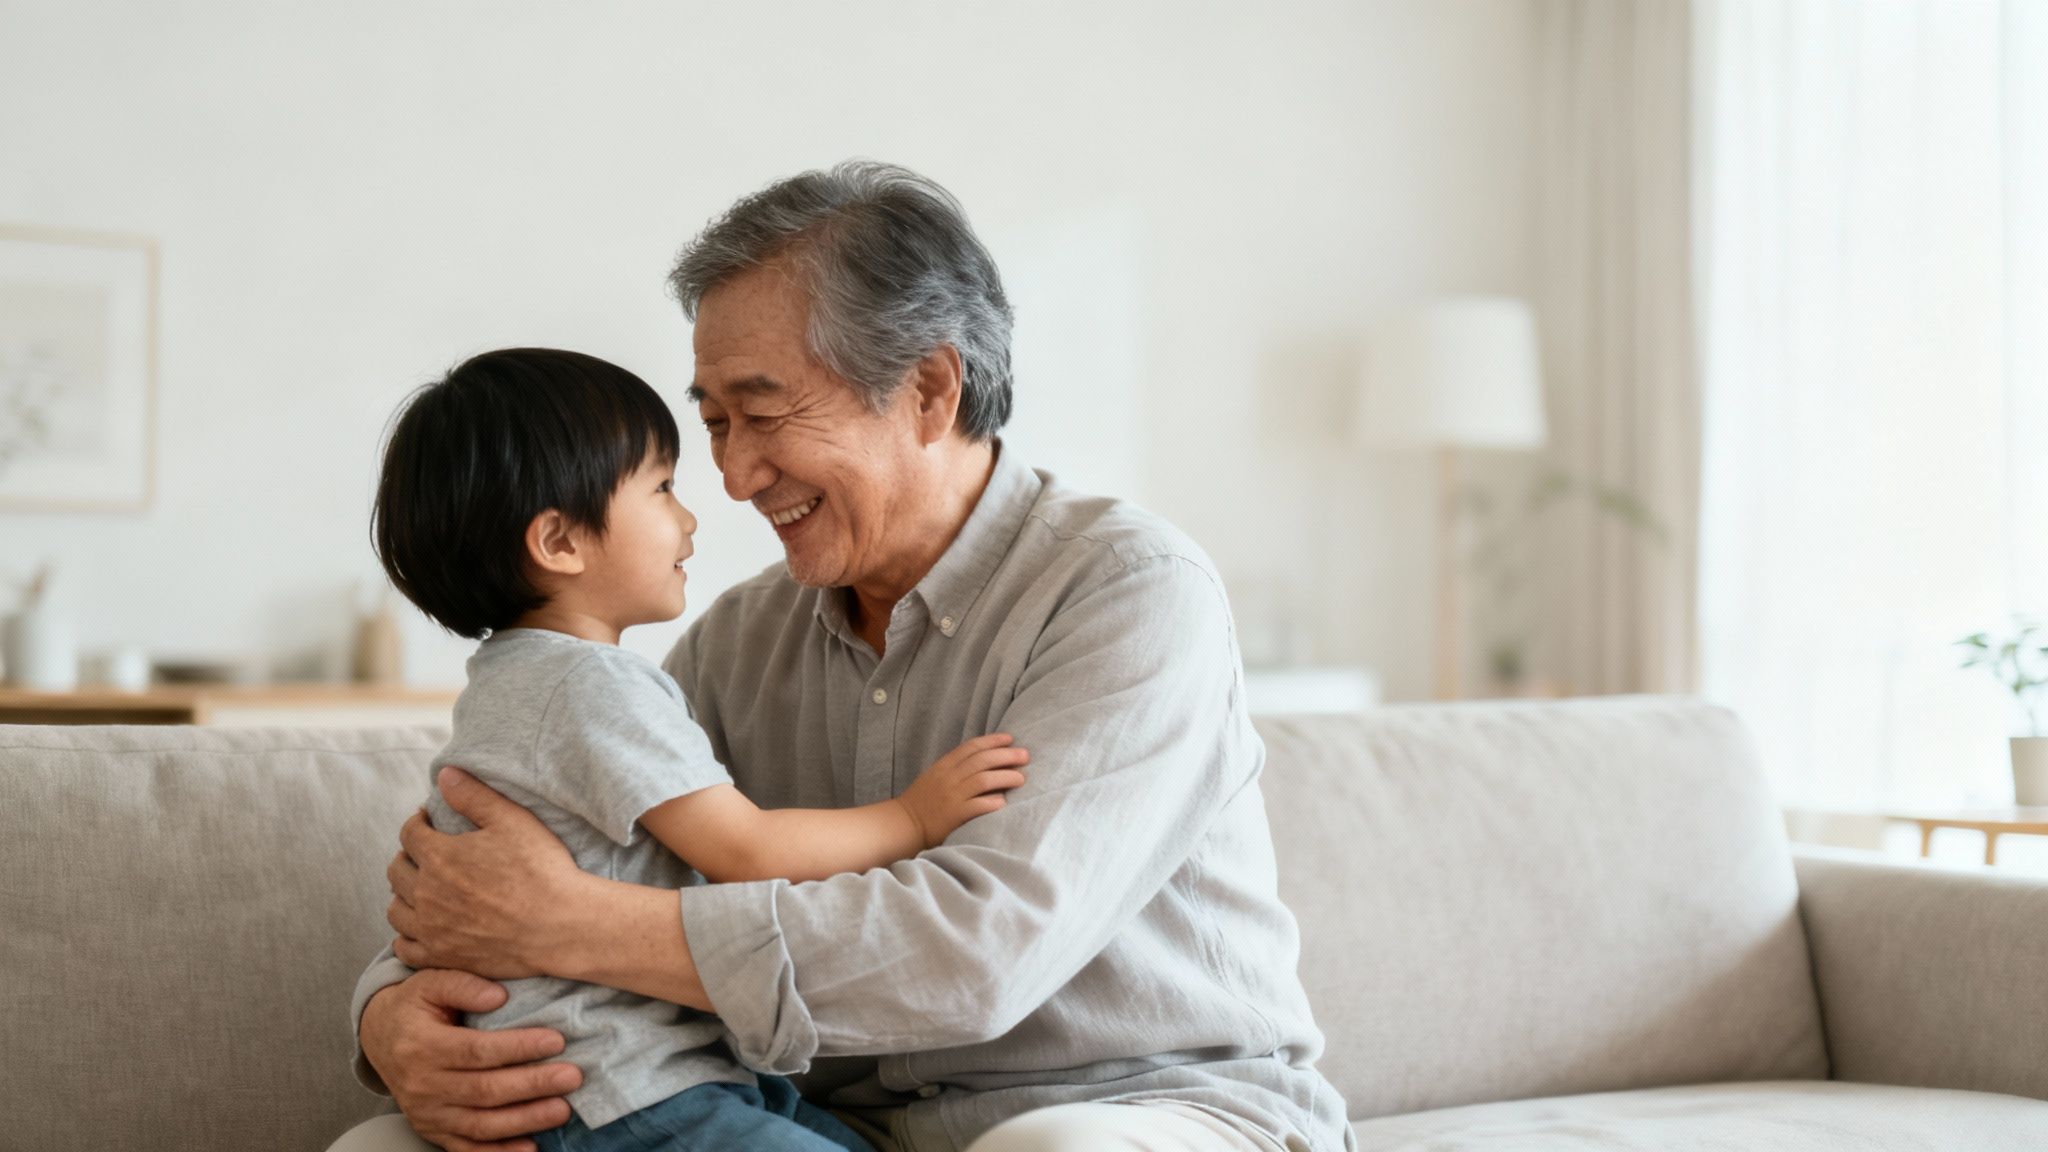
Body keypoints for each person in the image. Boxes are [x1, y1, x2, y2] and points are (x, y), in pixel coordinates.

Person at [333, 162, 1354, 1152]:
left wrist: (572, 930)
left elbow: (973, 958)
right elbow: (505, 871)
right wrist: (395, 1021)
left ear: (927, 389)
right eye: (715, 423)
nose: (732, 477)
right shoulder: (735, 640)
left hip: (1144, 1109)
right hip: (827, 1127)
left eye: (763, 412)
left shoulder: (1126, 590)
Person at [354, 346, 1028, 1151]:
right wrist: (915, 816)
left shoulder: (510, 684)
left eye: (763, 413)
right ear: (560, 542)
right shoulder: (595, 688)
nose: (697, 512)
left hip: (656, 1079)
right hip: (623, 1089)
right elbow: (747, 847)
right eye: (663, 487)